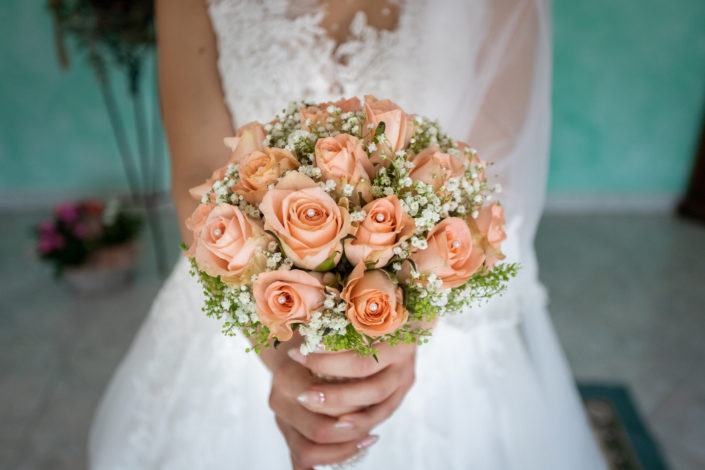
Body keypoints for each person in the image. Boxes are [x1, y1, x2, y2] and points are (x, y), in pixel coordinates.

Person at [89, 0, 607, 469]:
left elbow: (493, 187)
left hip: (438, 312)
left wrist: (397, 336)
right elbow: (199, 171)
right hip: (246, 300)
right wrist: (281, 347)